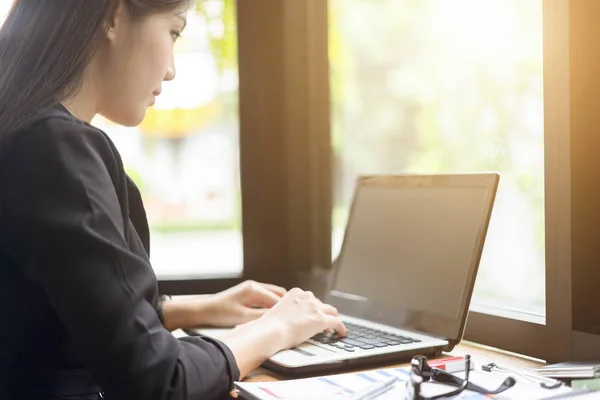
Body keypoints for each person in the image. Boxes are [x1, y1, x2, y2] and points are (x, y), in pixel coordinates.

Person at [0, 1, 347, 399]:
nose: (171, 70)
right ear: (111, 17)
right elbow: (158, 381)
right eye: (173, 31)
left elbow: (51, 316)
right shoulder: (52, 149)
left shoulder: (23, 132)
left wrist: (199, 308)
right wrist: (275, 328)